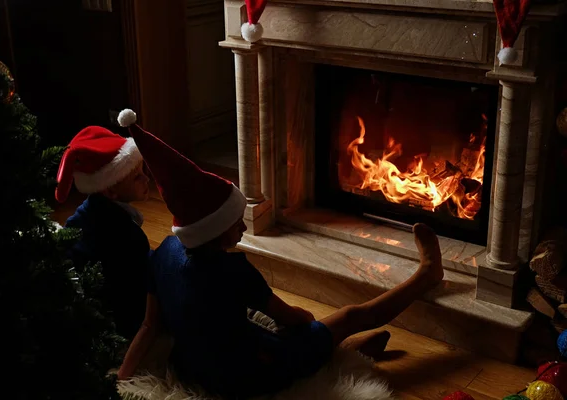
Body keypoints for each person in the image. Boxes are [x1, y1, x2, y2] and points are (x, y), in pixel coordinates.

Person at [116, 109, 444, 398]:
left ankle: (338, 350)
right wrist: (307, 321)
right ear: (213, 231)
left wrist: (120, 380)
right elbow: (291, 318)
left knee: (296, 333)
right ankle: (426, 275)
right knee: (349, 316)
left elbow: (149, 327)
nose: (243, 230)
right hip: (250, 375)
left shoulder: (162, 253)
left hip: (195, 368)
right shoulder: (234, 270)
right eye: (235, 224)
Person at [55, 125, 151, 341]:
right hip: (111, 327)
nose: (146, 179)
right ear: (110, 190)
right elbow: (137, 294)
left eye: (143, 171)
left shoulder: (81, 216)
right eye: (137, 177)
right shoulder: (129, 237)